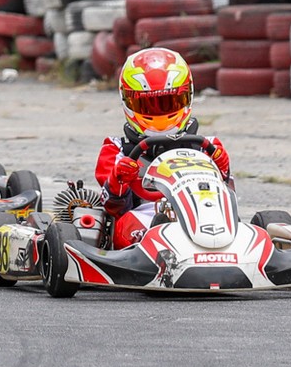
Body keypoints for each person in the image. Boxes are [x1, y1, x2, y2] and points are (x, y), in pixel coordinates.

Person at [94, 47, 234, 246]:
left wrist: (224, 172)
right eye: (148, 105)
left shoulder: (209, 146)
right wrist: (119, 179)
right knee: (132, 222)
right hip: (144, 219)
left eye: (169, 102)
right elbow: (112, 206)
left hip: (204, 216)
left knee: (253, 223)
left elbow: (227, 198)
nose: (159, 114)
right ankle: (160, 237)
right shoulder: (116, 150)